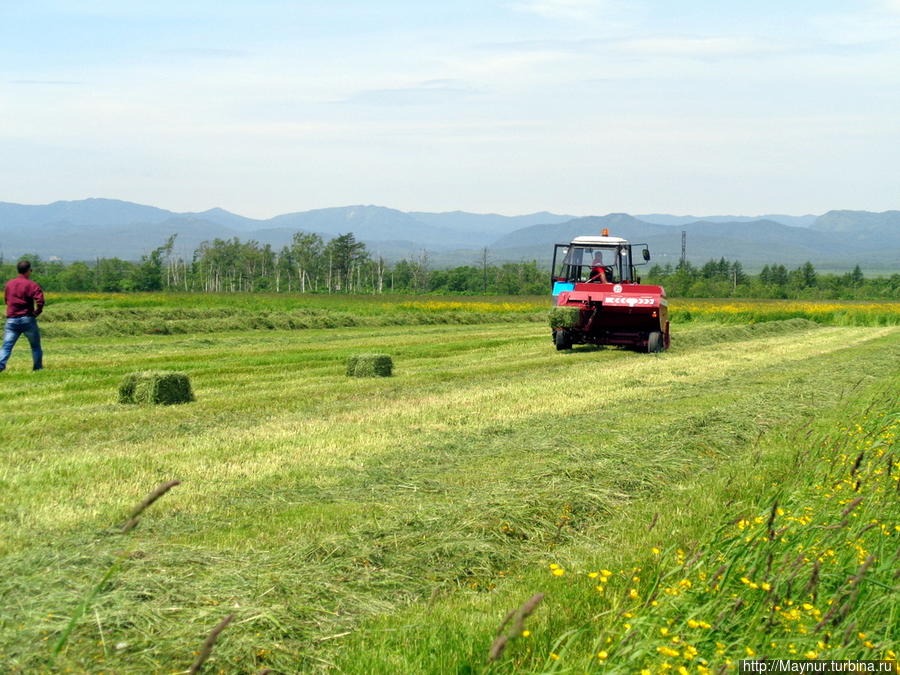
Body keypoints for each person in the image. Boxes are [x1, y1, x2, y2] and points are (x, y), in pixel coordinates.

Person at [1, 260, 45, 372]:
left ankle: (0, 366)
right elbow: (40, 300)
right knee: (35, 346)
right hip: (27, 319)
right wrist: (37, 312)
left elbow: (6, 300)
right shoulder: (32, 284)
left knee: (6, 346)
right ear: (28, 270)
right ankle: (38, 368)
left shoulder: (9, 284)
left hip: (12, 320)